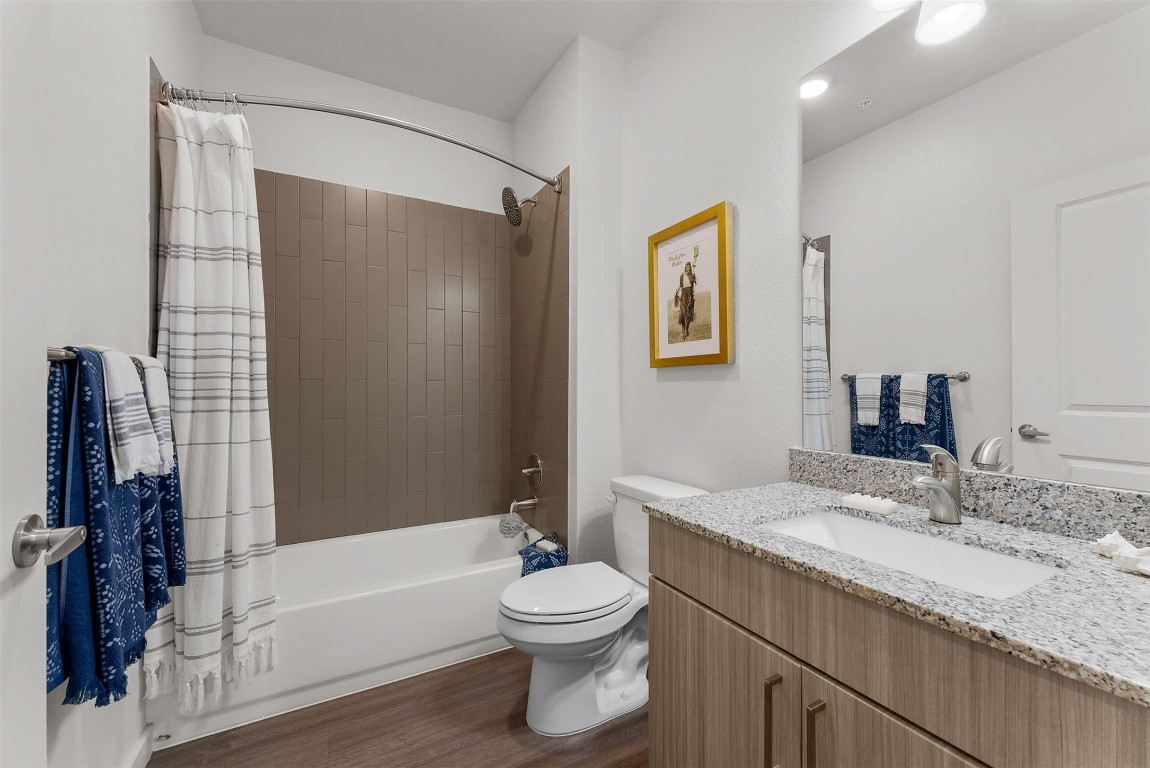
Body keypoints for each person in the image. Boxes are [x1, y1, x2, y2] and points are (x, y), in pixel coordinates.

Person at [674, 247, 699, 341]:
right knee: (682, 313)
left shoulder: (691, 275)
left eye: (688, 267)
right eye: (686, 267)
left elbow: (694, 266)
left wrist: (695, 258)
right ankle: (683, 331)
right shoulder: (682, 275)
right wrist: (677, 290)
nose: (687, 268)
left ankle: (687, 329)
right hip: (684, 294)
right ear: (684, 267)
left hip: (690, 296)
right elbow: (680, 285)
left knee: (689, 313)